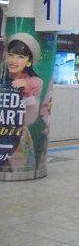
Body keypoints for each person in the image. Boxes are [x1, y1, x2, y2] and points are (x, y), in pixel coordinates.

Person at [0, 33, 44, 171]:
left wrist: (27, 90)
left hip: (16, 139)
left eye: (21, 56)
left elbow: (30, 118)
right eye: (11, 55)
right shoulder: (2, 79)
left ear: (29, 60)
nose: (14, 60)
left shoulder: (35, 82)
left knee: (10, 167)